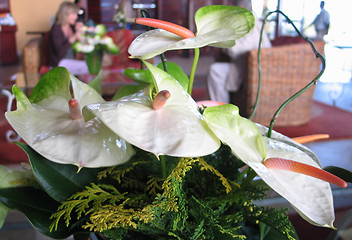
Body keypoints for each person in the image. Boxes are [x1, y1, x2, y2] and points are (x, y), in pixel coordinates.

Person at [207, 0, 271, 103]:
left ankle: (220, 108)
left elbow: (237, 50)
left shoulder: (247, 22)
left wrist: (224, 44)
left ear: (240, 7)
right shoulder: (256, 21)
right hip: (252, 66)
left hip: (250, 68)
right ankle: (220, 105)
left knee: (215, 71)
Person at [48, 1, 88, 75]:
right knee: (88, 67)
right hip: (59, 63)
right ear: (65, 15)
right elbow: (59, 53)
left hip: (70, 61)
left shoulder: (71, 27)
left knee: (91, 63)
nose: (76, 17)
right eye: (73, 14)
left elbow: (80, 46)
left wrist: (80, 31)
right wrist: (73, 38)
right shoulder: (56, 29)